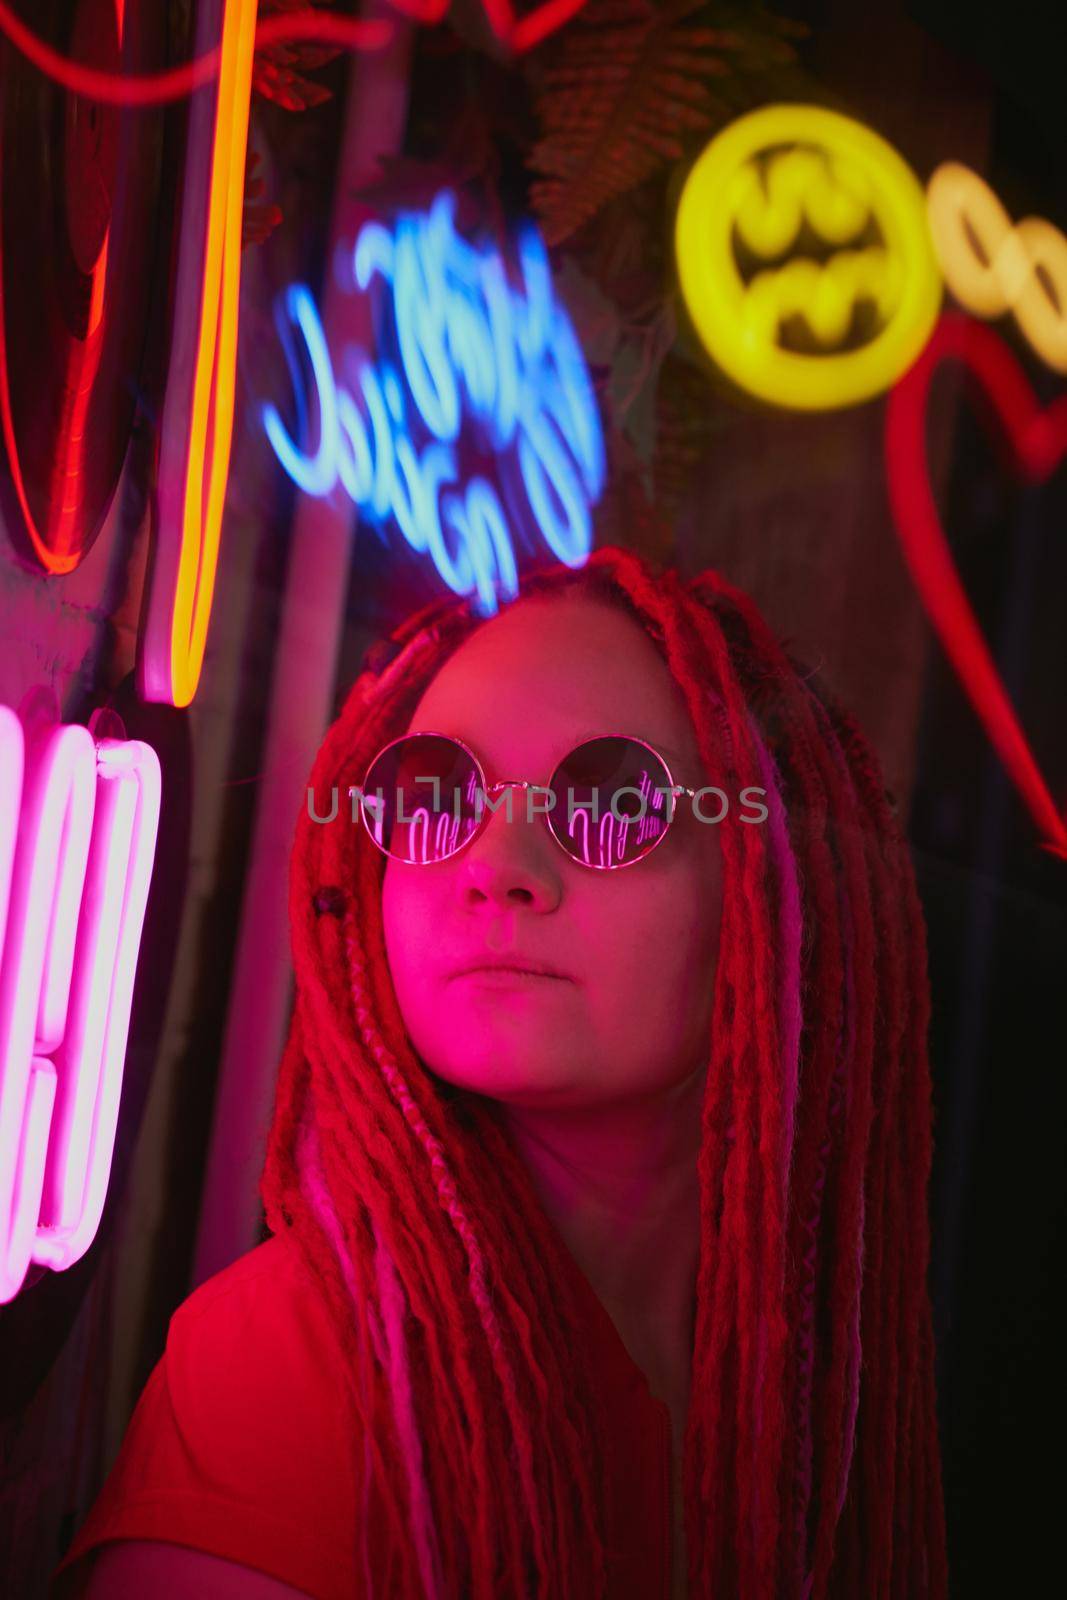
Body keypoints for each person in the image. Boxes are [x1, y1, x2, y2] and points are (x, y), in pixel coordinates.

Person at [51, 544, 948, 1598]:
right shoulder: (295, 1369)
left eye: (612, 802)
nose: (495, 869)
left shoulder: (821, 1385)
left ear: (778, 894)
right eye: (435, 794)